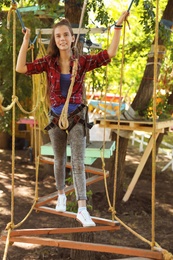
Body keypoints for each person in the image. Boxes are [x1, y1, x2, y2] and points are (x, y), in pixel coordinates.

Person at [16, 11, 129, 227]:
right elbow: (21, 68)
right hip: (56, 117)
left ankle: (82, 209)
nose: (62, 39)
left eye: (66, 35)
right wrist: (25, 40)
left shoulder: (83, 61)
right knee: (59, 159)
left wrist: (117, 26)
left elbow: (110, 53)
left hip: (77, 116)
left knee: (77, 161)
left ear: (72, 38)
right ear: (55, 40)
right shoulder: (49, 63)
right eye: (58, 36)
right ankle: (61, 195)